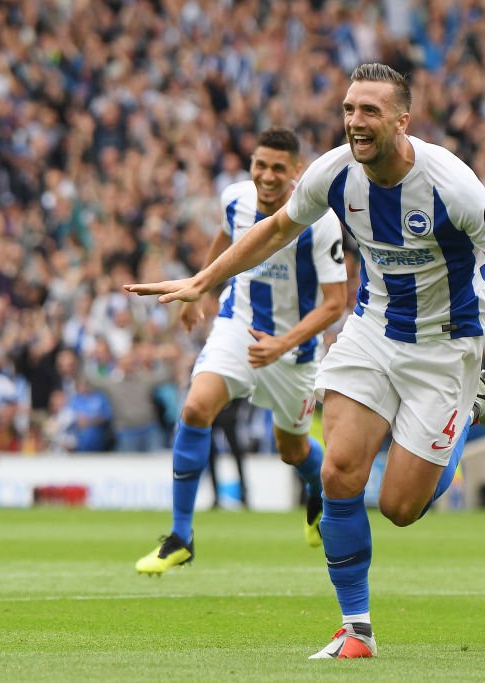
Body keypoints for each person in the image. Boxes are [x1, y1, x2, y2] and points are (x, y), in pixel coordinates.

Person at [126, 64, 485, 658]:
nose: (354, 122)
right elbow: (274, 230)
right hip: (372, 329)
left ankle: (466, 414)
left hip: (446, 345)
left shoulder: (452, 183)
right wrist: (204, 281)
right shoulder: (334, 172)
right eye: (348, 109)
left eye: (369, 111)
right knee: (338, 471)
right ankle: (356, 628)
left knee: (399, 508)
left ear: (402, 120)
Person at [135, 127, 349, 574]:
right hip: (237, 325)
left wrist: (283, 343)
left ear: (296, 173)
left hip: (294, 350)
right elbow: (225, 239)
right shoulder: (235, 198)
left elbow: (334, 304)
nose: (266, 176)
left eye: (277, 168)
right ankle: (180, 536)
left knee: (291, 450)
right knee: (195, 409)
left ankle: (317, 492)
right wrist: (205, 292)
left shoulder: (319, 220)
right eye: (260, 165)